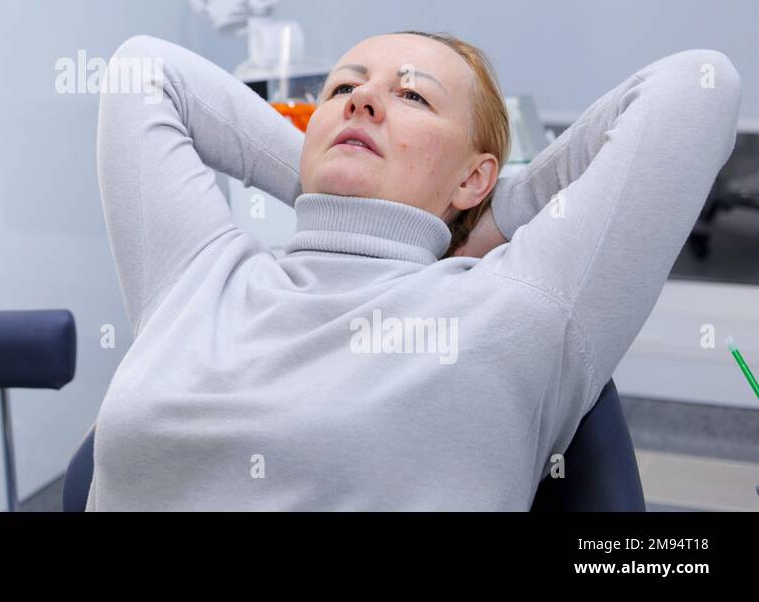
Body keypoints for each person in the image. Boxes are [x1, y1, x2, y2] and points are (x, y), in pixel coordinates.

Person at [84, 31, 741, 510]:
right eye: (342, 88)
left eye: (412, 96)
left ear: (474, 174)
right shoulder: (202, 274)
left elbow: (698, 86)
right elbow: (142, 69)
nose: (362, 99)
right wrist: (333, 173)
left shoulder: (514, 306)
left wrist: (491, 213)